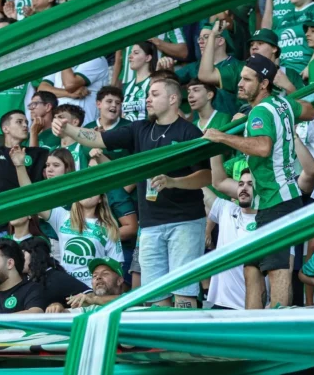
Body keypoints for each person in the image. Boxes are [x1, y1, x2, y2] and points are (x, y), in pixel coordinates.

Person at [51, 77, 211, 308]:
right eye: (147, 94)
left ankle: (184, 342)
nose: (148, 98)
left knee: (183, 292)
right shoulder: (140, 129)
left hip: (184, 222)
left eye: (155, 94)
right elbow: (98, 138)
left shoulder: (190, 132)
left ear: (173, 99)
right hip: (150, 224)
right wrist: (68, 129)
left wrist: (173, 181)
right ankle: (162, 344)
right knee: (155, 295)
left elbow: (206, 177)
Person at [202, 55, 314, 308]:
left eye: (246, 79)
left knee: (277, 272)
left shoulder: (260, 112)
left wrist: (223, 137)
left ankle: (277, 332)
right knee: (251, 269)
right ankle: (252, 326)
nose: (240, 84)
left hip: (278, 200)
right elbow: (310, 110)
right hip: (274, 199)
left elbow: (263, 147)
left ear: (263, 83)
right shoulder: (282, 104)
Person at [206, 158, 256, 310]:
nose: (243, 188)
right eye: (240, 184)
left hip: (252, 309)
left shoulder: (269, 220)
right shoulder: (227, 210)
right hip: (221, 305)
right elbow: (199, 188)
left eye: (250, 184)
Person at [20, 238, 90, 312]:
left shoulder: (57, 278)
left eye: (22, 254)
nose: (19, 258)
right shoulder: (26, 280)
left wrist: (63, 307)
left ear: (35, 254)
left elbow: (89, 294)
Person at [39, 55, 110, 126]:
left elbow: (70, 84)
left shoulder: (96, 59)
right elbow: (41, 90)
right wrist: (69, 94)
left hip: (87, 124)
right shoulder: (58, 61)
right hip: (62, 124)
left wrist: (65, 58)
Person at [82, 87, 131, 160]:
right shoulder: (87, 128)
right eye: (109, 101)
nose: (114, 105)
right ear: (98, 104)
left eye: (118, 103)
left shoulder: (129, 127)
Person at [121, 41, 157, 122]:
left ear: (148, 58)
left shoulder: (154, 83)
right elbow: (123, 115)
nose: (130, 56)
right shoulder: (126, 87)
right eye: (130, 53)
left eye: (136, 53)